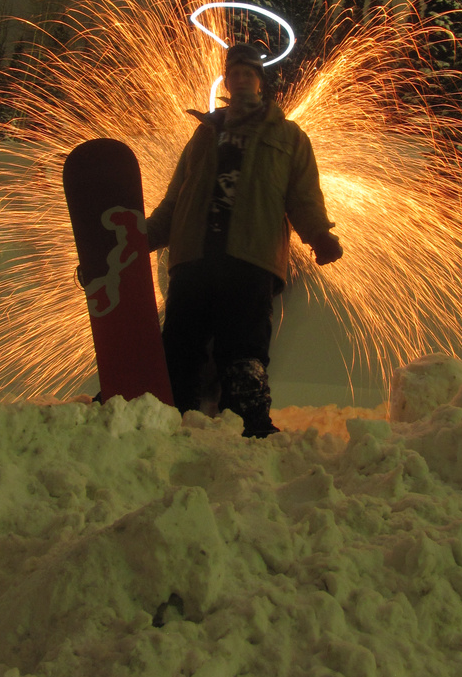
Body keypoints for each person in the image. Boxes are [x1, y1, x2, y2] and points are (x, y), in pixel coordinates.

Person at [146, 42, 342, 437]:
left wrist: (319, 234)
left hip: (250, 257)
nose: (240, 79)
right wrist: (141, 239)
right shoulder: (203, 135)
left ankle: (248, 423)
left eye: (248, 73)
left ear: (260, 80)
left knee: (245, 346)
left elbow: (302, 195)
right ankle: (168, 417)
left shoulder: (289, 136)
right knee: (179, 344)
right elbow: (175, 199)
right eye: (233, 72)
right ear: (227, 79)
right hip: (194, 257)